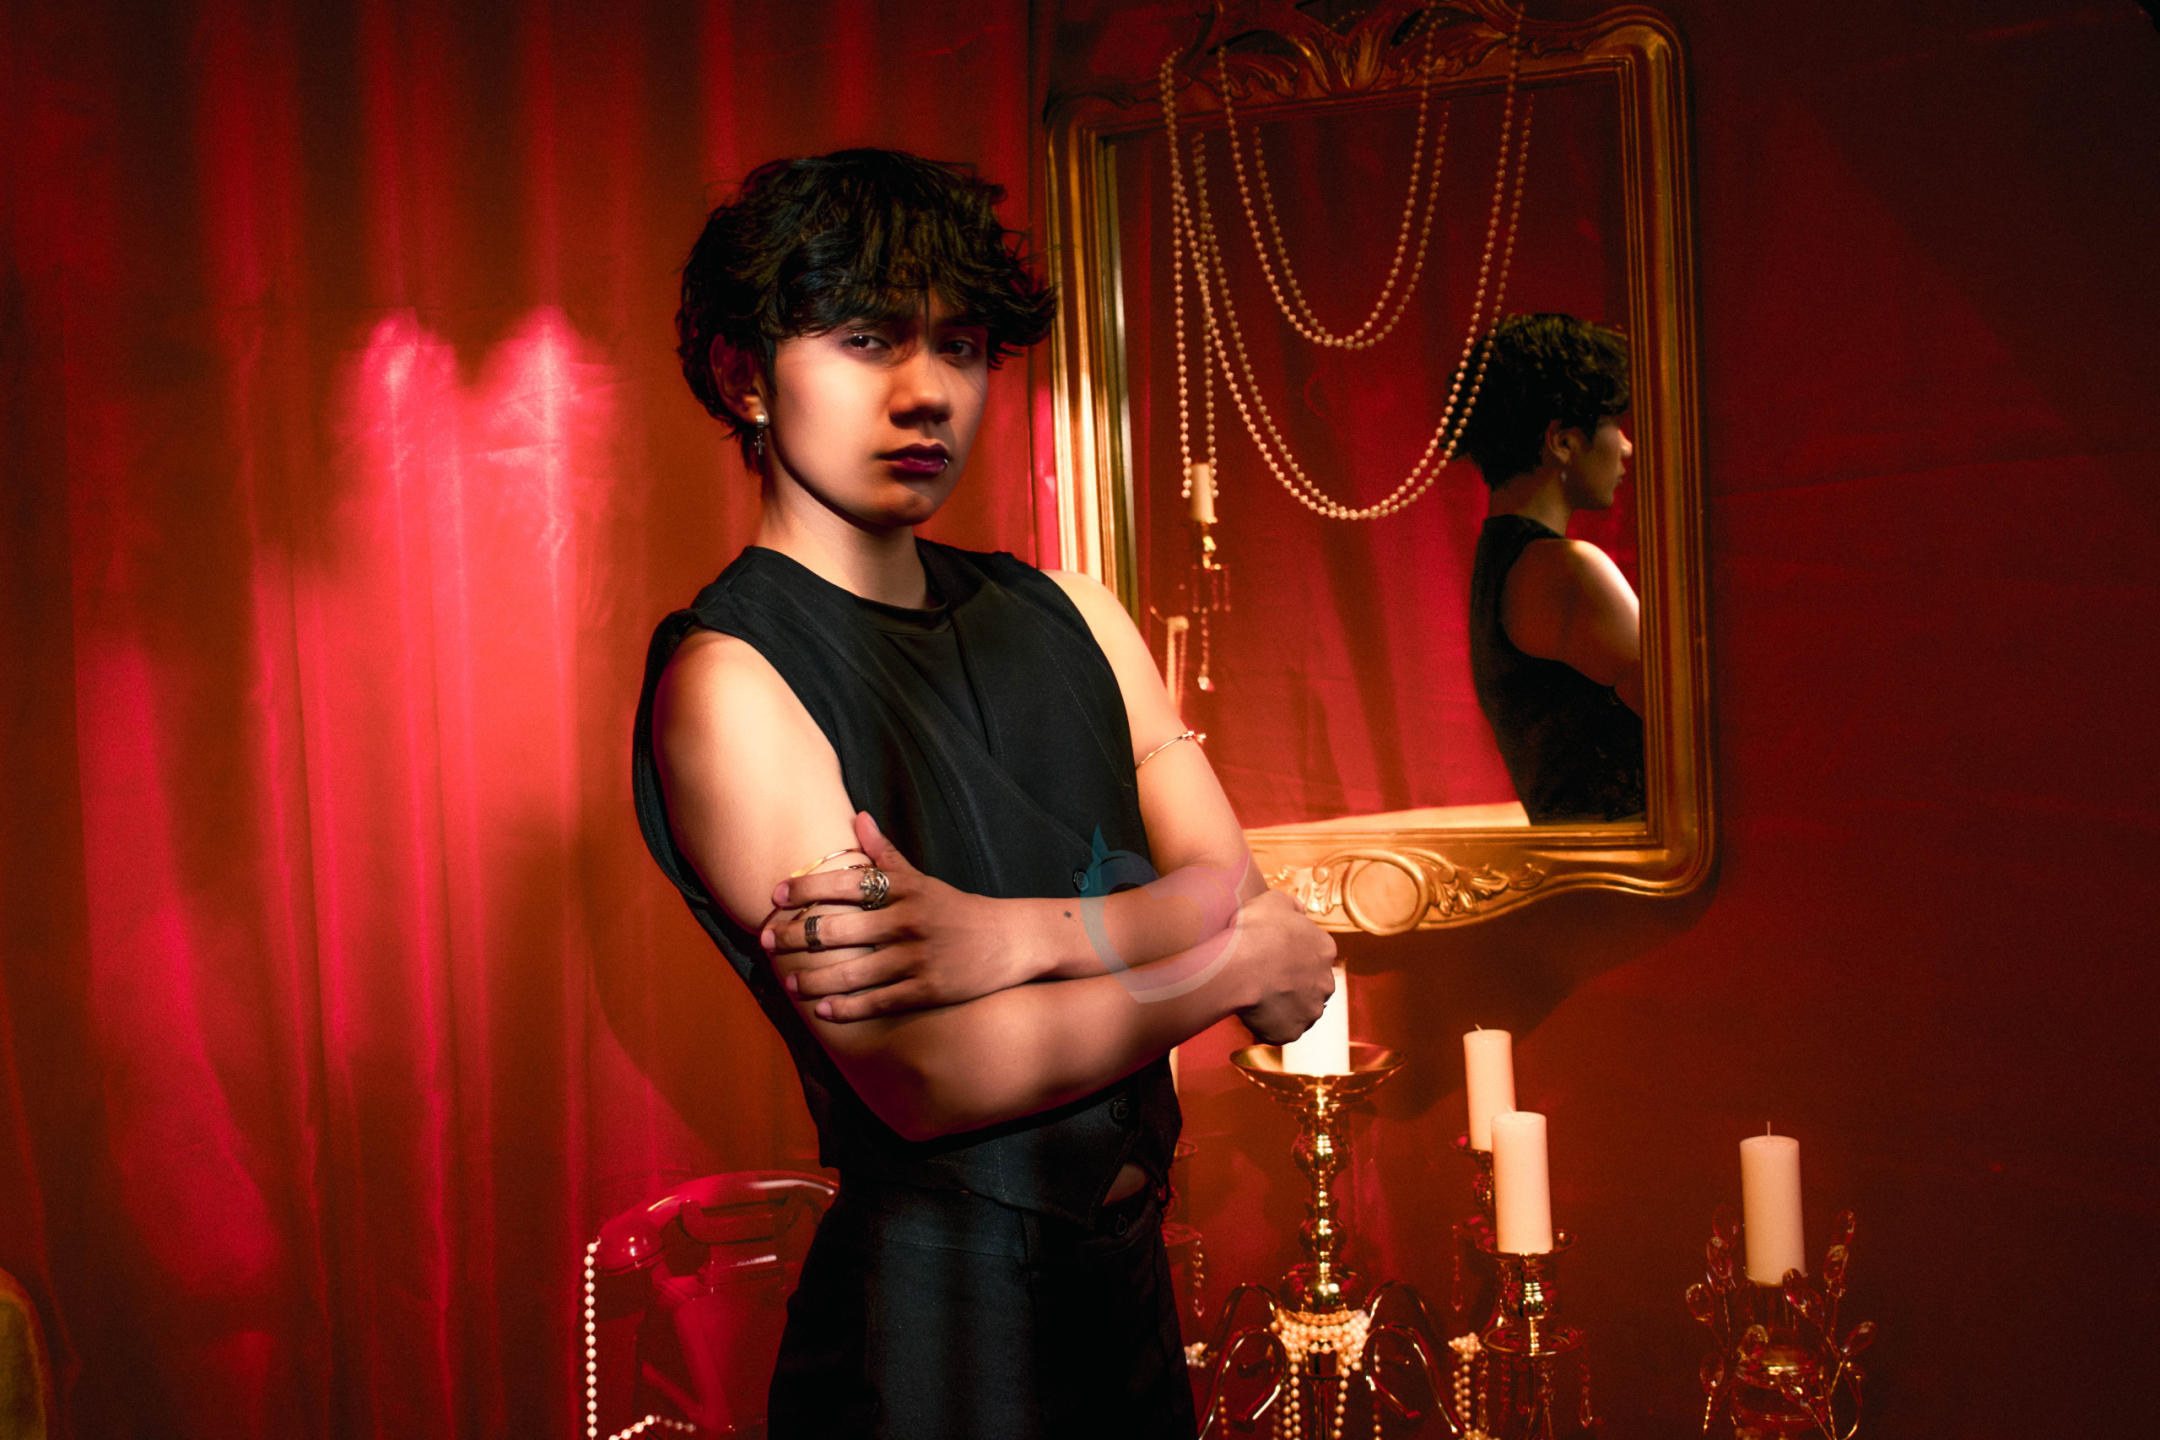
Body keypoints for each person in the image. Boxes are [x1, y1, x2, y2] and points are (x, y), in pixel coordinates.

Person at [629, 149, 1337, 1439]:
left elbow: (1229, 882)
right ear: (744, 374)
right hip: (934, 1341)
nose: (925, 393)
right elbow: (930, 1071)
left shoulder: (1075, 613)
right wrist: (1232, 964)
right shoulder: (729, 678)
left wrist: (1008, 938)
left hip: (1132, 1300)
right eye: (864, 339)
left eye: (957, 346)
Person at [1456, 312, 1647, 824]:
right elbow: (1690, 729)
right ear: (1562, 440)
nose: (1626, 447)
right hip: (1628, 866)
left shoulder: (1499, 562)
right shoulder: (1567, 571)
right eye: (1613, 424)